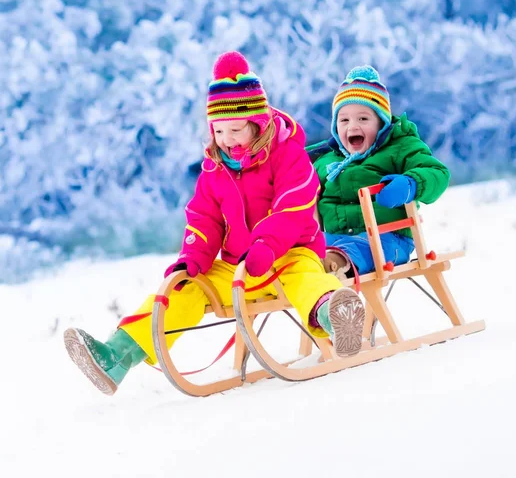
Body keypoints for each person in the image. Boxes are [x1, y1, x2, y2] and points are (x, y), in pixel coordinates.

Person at [64, 51, 365, 396]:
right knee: (185, 289)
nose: (227, 139)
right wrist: (193, 256)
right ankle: (116, 356)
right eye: (219, 130)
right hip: (238, 267)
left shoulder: (289, 157)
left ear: (259, 123)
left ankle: (336, 317)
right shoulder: (215, 169)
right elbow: (203, 216)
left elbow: (292, 206)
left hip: (289, 255)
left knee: (308, 281)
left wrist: (267, 244)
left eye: (236, 129)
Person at [307, 65, 450, 279]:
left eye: (363, 119)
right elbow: (292, 177)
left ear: (382, 123)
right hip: (332, 238)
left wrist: (411, 183)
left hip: (389, 238)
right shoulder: (326, 159)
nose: (352, 126)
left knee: (366, 248)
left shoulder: (400, 146)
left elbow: (437, 172)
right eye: (344, 120)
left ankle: (336, 265)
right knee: (302, 253)